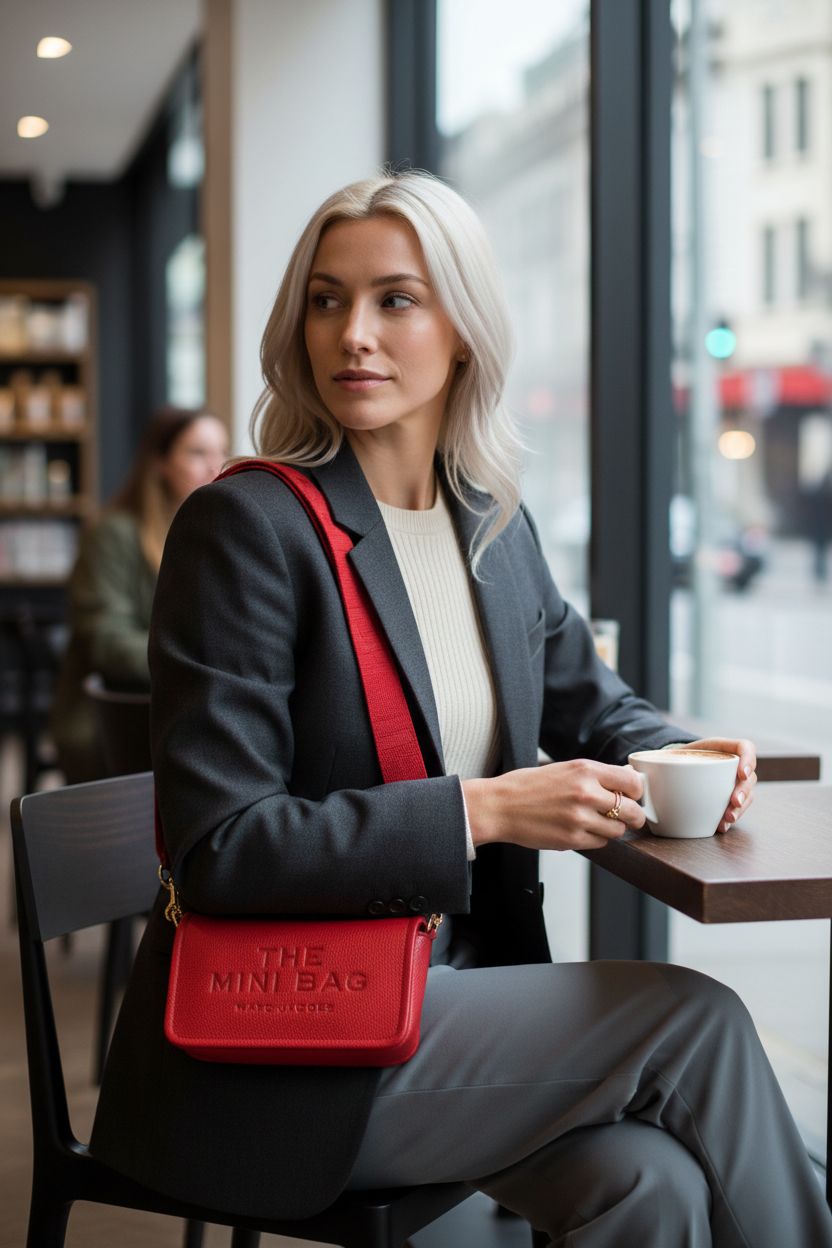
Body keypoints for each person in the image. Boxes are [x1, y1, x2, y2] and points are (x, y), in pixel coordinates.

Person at [90, 172, 832, 1246]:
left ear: (465, 331)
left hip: (456, 999)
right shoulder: (246, 529)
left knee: (650, 1184)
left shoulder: (491, 525)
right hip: (289, 1049)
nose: (353, 333)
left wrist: (688, 751)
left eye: (395, 298)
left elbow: (593, 703)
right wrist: (484, 810)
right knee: (695, 1019)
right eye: (327, 299)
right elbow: (222, 850)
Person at [49, 405, 229, 782]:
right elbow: (107, 643)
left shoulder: (219, 536)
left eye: (222, 452)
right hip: (114, 714)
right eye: (197, 453)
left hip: (188, 704)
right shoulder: (113, 534)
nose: (216, 467)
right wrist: (201, 666)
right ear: (160, 463)